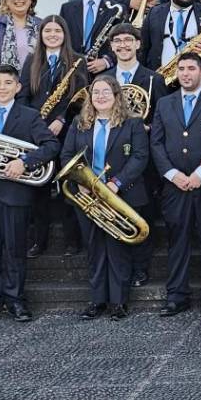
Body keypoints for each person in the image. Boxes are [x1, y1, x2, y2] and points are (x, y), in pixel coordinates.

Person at [0, 65, 60, 327]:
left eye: (8, 83)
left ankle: (16, 299)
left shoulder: (29, 116)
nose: (2, 87)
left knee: (15, 248)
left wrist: (24, 162)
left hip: (15, 193)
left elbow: (51, 145)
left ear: (18, 87)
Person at [61, 76, 149, 322]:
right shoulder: (79, 123)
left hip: (121, 193)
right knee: (94, 248)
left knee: (117, 249)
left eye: (106, 92)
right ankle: (97, 300)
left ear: (116, 95)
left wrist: (115, 183)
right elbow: (66, 155)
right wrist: (81, 182)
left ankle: (118, 302)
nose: (100, 96)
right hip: (87, 195)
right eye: (96, 92)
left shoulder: (133, 123)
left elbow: (140, 157)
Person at [152, 52, 201, 317]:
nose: (185, 74)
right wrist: (171, 173)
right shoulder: (164, 103)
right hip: (175, 184)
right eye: (182, 69)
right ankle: (177, 295)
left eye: (191, 69)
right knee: (178, 239)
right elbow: (156, 143)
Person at [97, 23, 164, 286]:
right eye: (118, 41)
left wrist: (148, 127)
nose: (123, 45)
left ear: (138, 44)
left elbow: (162, 116)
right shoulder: (102, 79)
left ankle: (140, 267)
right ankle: (118, 268)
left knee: (141, 214)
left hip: (141, 157)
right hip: (110, 158)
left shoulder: (154, 78)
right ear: (112, 47)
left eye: (128, 40)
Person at [18, 15, 83, 257]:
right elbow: (23, 96)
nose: (52, 35)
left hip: (66, 132)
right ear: (41, 34)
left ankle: (72, 241)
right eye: (48, 31)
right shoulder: (31, 61)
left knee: (68, 186)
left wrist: (62, 119)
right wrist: (35, 124)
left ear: (65, 34)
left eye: (57, 30)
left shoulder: (77, 61)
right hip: (37, 134)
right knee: (39, 189)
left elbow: (80, 97)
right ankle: (39, 241)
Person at [60, 0, 120, 76]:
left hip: (105, 74)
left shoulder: (115, 9)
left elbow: (123, 41)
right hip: (73, 72)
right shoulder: (66, 9)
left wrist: (107, 61)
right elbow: (62, 40)